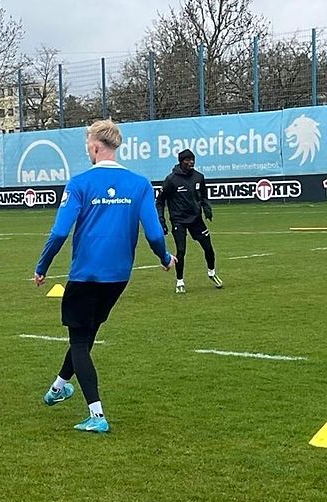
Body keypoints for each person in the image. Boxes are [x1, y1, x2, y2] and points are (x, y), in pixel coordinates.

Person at [33, 119, 176, 433]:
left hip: (85, 275)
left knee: (80, 341)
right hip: (118, 277)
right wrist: (165, 258)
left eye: (88, 144)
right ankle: (58, 387)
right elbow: (154, 233)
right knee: (86, 334)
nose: (88, 149)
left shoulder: (80, 183)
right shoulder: (139, 184)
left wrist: (42, 266)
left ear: (96, 146)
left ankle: (96, 415)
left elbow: (59, 232)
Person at [156, 149, 223, 293]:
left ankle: (212, 273)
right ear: (181, 162)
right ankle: (180, 281)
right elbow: (160, 201)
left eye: (193, 159)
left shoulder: (199, 177)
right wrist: (162, 220)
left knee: (209, 248)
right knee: (181, 251)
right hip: (179, 220)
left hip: (196, 219)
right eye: (188, 160)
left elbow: (204, 195)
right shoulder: (171, 179)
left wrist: (207, 208)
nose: (191, 162)